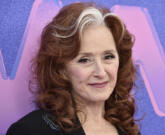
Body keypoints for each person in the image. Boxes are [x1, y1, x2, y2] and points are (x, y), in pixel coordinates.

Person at [6, 2, 140, 135]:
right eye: (84, 60)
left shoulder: (128, 129)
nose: (100, 72)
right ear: (61, 69)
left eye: (108, 57)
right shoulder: (31, 130)